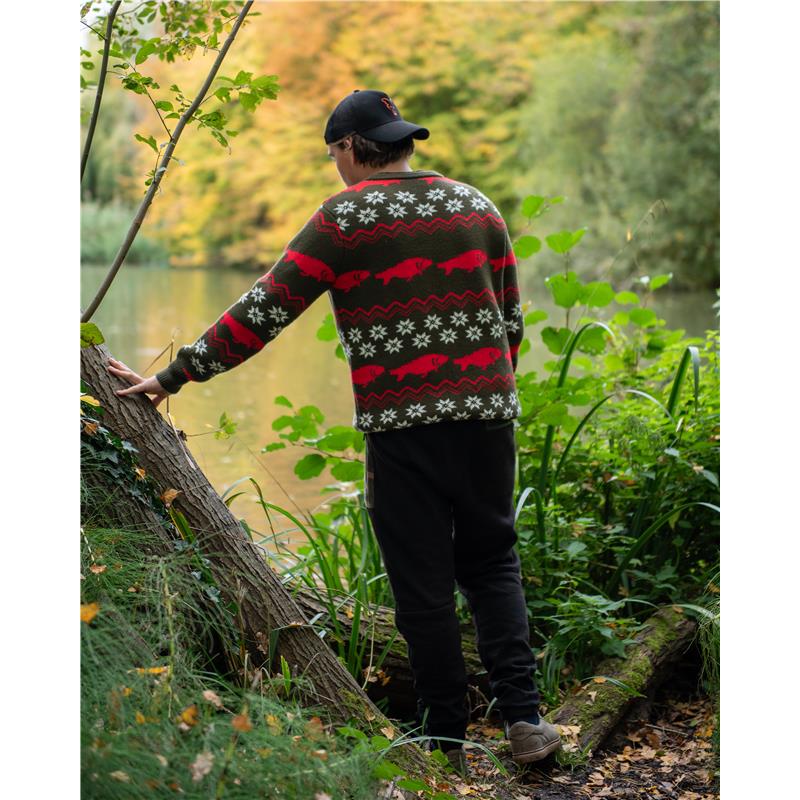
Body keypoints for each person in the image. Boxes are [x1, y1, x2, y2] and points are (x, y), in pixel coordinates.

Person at [108, 89, 562, 774]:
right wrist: (484, 393)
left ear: (350, 148)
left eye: (334, 155)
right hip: (487, 419)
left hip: (402, 429)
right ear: (400, 140)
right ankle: (525, 721)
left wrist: (175, 375)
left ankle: (446, 747)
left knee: (422, 586)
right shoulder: (477, 206)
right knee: (493, 563)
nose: (336, 166)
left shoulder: (346, 218)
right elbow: (511, 321)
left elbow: (266, 308)